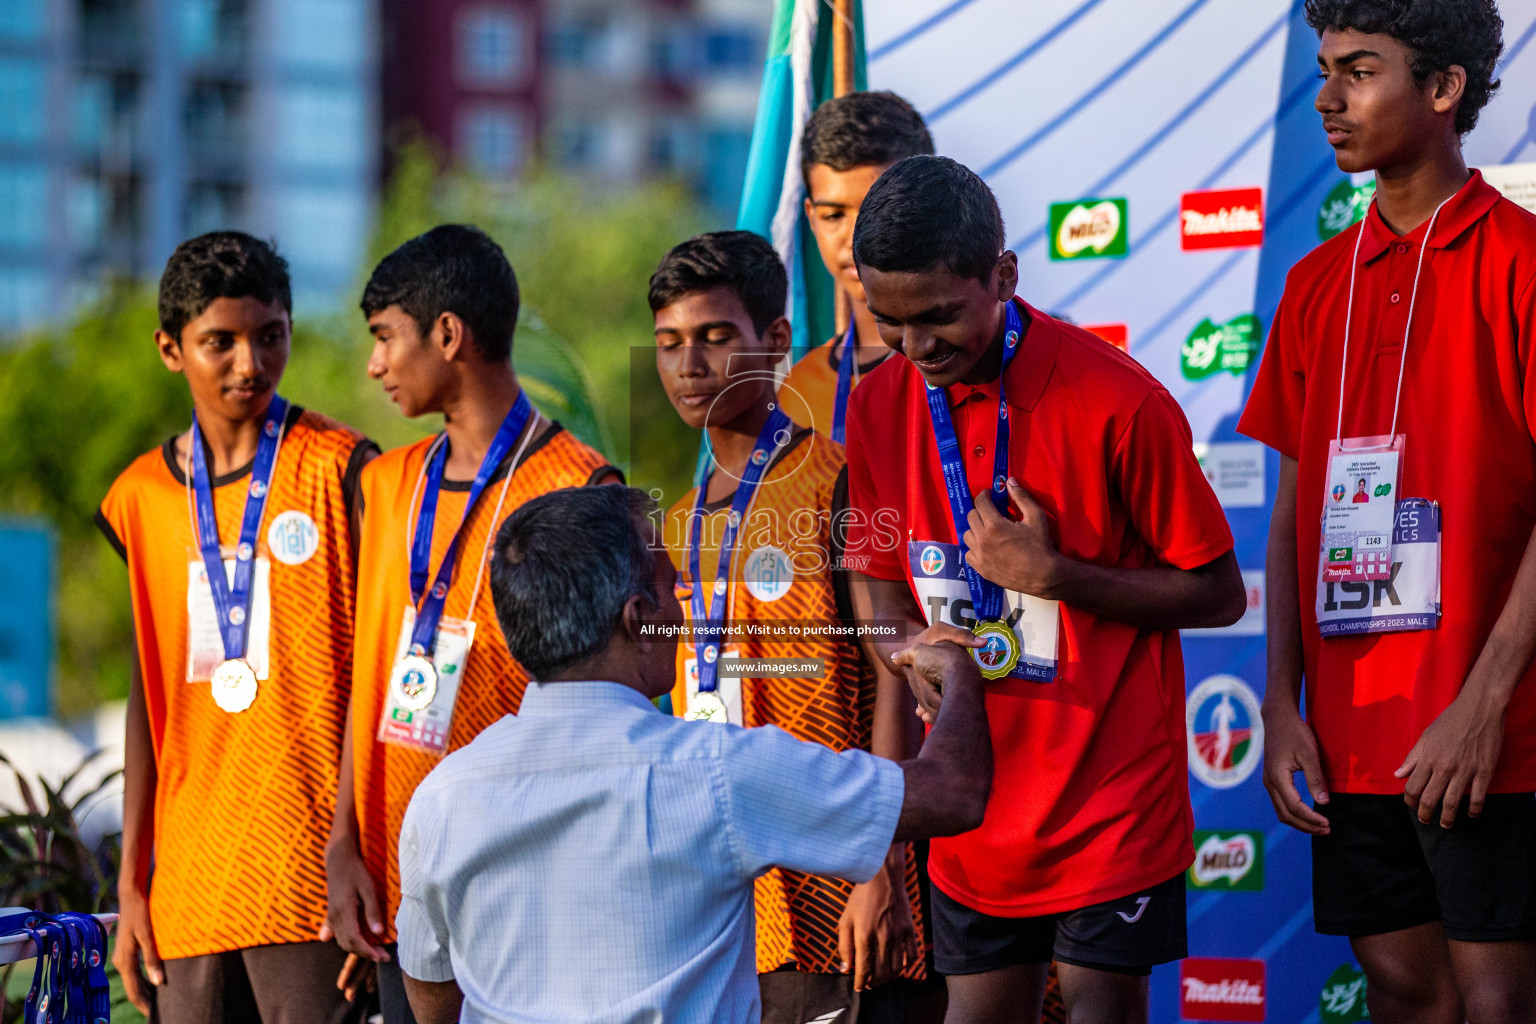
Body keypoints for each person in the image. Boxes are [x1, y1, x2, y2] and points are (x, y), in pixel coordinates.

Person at [843, 155, 1246, 1024]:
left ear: (1004, 276)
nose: (915, 349)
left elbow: (1219, 593)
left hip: (1110, 805)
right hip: (974, 807)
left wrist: (1060, 578)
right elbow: (876, 584)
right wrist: (902, 647)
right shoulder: (876, 406)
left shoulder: (1117, 400)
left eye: (939, 318)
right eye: (889, 322)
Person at [392, 484, 994, 1024]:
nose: (683, 603)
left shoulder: (442, 798)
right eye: (667, 585)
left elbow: (434, 993)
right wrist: (959, 671)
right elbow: (954, 793)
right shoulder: (715, 773)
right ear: (637, 619)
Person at [1239, 3, 1536, 1021]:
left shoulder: (1525, 262)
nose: (1327, 97)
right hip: (1351, 733)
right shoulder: (1316, 283)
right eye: (1325, 69)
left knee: (1502, 1000)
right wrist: (1280, 701)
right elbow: (1289, 508)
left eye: (1359, 71)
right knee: (1406, 992)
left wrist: (1484, 702)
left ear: (1445, 88)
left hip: (1500, 732)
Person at [322, 225, 621, 1024]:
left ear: (447, 335)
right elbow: (368, 674)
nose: (374, 365)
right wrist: (345, 840)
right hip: (399, 876)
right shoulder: (385, 485)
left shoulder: (578, 482)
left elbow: (606, 698)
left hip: (532, 869)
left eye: (385, 338)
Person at [98, 232, 377, 1023]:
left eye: (270, 335)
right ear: (170, 349)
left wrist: (366, 855)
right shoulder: (142, 496)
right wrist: (132, 882)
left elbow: (376, 673)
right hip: (188, 890)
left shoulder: (341, 467)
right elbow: (144, 701)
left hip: (312, 881)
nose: (248, 363)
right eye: (219, 342)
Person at [649, 230, 925, 1022]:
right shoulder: (676, 522)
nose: (689, 365)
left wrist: (883, 862)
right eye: (669, 344)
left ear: (774, 341)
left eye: (714, 338)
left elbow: (893, 675)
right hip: (728, 902)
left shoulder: (843, 483)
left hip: (840, 889)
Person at [780, 91, 934, 442]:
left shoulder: (985, 360)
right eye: (833, 215)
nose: (855, 237)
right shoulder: (798, 393)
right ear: (812, 218)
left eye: (876, 209)